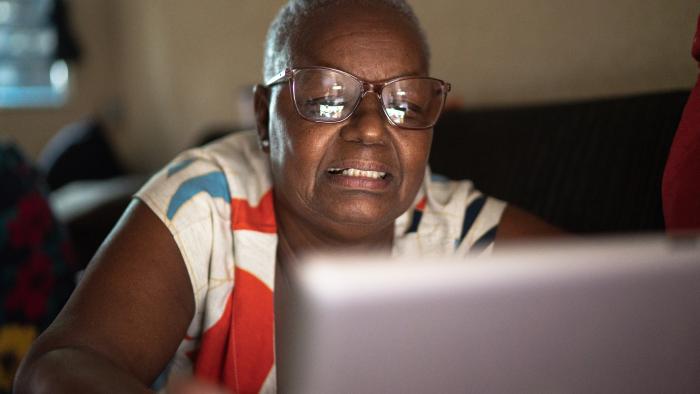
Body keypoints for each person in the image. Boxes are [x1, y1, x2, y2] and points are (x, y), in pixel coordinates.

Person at [15, 1, 560, 392]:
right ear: (262, 117)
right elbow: (55, 365)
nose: (371, 129)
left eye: (407, 104)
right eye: (325, 97)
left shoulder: (458, 231)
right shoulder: (206, 200)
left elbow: (632, 319)